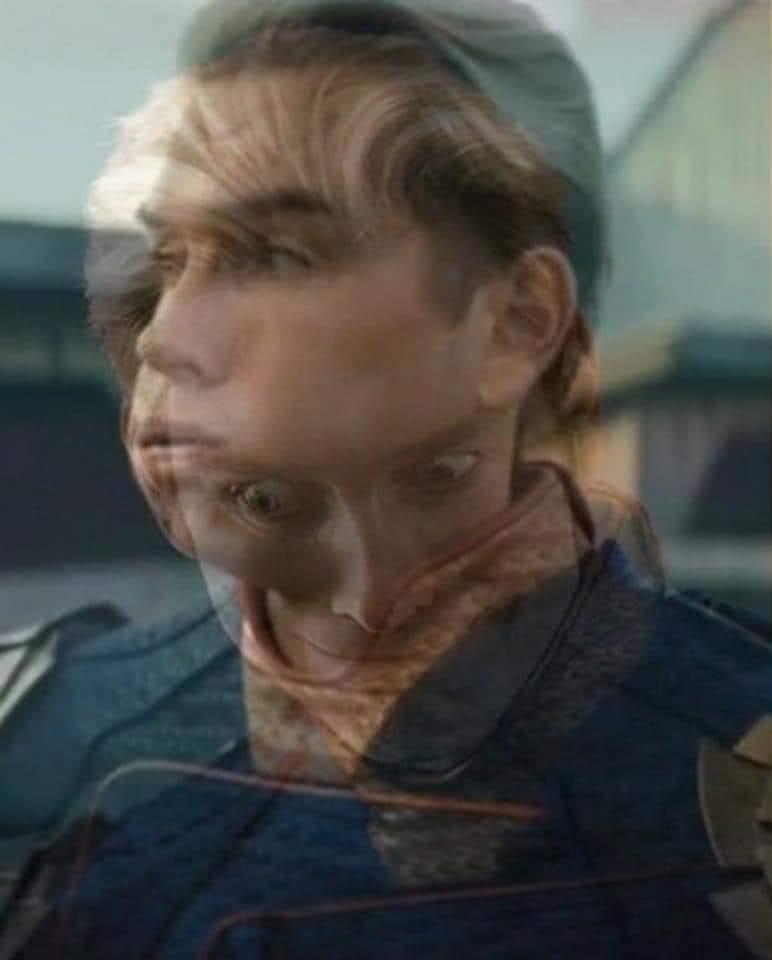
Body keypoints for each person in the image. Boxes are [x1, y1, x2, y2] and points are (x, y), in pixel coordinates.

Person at [0, 2, 770, 957]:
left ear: (514, 325)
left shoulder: (727, 753)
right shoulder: (40, 732)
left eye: (275, 253)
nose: (165, 336)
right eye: (169, 261)